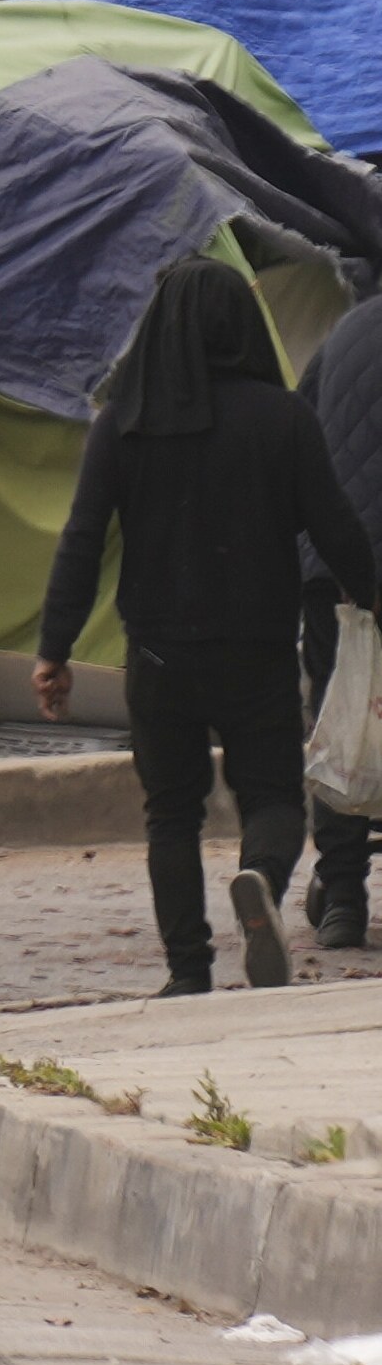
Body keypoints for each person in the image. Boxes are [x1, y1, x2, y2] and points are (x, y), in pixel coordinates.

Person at [35, 261, 382, 991]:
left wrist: (55, 650)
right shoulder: (281, 418)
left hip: (157, 654)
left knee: (169, 812)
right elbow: (337, 528)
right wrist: (372, 601)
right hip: (255, 648)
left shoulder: (121, 425)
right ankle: (258, 872)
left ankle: (188, 969)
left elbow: (80, 540)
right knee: (274, 798)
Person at [304, 292, 382, 949]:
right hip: (359, 565)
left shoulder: (344, 330)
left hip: (326, 571)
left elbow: (303, 427)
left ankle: (342, 898)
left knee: (338, 725)